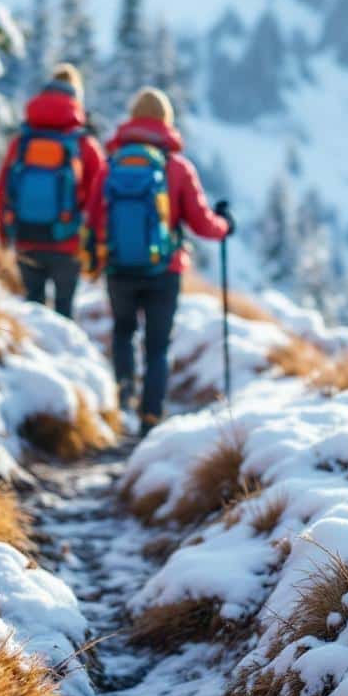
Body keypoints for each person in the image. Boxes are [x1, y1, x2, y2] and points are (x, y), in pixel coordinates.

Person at [89, 87, 233, 435]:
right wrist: (225, 224)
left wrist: (98, 253)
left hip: (119, 266)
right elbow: (200, 222)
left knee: (123, 332)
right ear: (165, 123)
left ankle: (124, 394)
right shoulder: (178, 168)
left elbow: (94, 216)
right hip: (164, 271)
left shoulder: (111, 165)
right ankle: (151, 414)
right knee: (157, 345)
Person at [0, 64, 106, 319]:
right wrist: (95, 244)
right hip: (67, 241)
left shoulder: (22, 141)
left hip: (25, 236)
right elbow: (99, 199)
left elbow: (1, 189)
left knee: (33, 308)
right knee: (64, 311)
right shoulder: (84, 144)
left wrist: (4, 231)